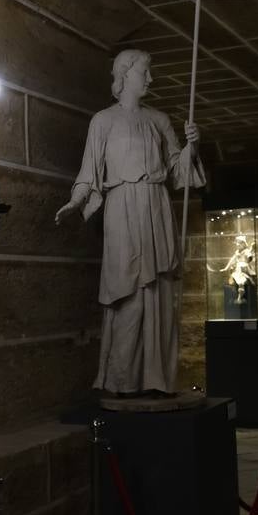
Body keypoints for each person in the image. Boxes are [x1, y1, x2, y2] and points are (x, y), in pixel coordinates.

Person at [54, 49, 204, 395]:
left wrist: (192, 148)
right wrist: (76, 201)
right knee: (127, 292)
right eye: (145, 72)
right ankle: (122, 380)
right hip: (122, 208)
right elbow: (89, 171)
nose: (150, 79)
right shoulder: (103, 121)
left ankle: (157, 379)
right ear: (125, 74)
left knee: (159, 291)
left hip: (156, 205)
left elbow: (179, 171)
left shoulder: (159, 120)